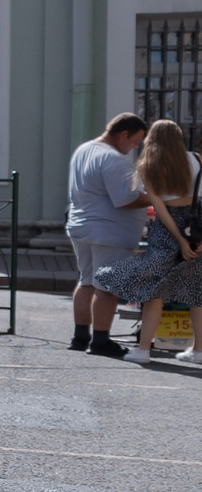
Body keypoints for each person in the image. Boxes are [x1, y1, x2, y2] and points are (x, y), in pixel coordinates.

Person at [93, 121, 202, 361]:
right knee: (197, 292)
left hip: (167, 228)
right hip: (196, 225)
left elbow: (160, 208)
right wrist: (194, 239)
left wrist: (179, 240)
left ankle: (143, 351)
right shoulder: (196, 158)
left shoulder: (149, 165)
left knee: (154, 290)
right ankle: (198, 352)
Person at [66, 112, 152, 355]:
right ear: (123, 134)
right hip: (109, 232)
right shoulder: (113, 159)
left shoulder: (84, 150)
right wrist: (155, 198)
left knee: (87, 281)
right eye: (136, 140)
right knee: (107, 287)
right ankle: (101, 341)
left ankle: (80, 337)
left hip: (82, 226)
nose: (136, 146)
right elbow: (125, 199)